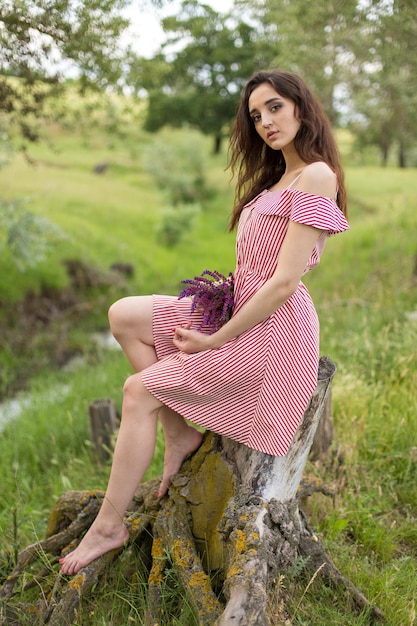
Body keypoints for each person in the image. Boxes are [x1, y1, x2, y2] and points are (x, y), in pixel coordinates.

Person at [59, 69, 349, 575]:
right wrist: (217, 309)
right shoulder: (276, 178)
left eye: (274, 107)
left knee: (138, 390)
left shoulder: (317, 175)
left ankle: (108, 526)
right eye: (256, 115)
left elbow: (282, 282)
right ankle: (179, 434)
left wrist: (215, 338)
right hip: (239, 304)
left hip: (274, 332)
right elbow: (253, 270)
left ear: (302, 106)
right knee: (124, 315)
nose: (265, 122)